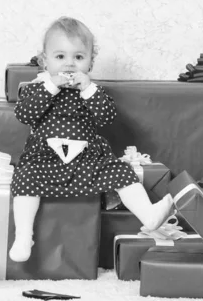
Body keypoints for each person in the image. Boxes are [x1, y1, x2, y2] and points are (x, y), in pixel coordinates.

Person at [9, 16, 174, 262]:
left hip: (86, 160)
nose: (69, 64)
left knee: (121, 172)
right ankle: (23, 236)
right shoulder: (38, 88)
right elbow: (24, 114)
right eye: (60, 57)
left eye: (78, 57)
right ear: (45, 61)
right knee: (24, 179)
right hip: (45, 159)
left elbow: (107, 117)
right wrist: (52, 86)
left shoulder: (91, 91)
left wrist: (87, 89)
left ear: (90, 62)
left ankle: (148, 215)